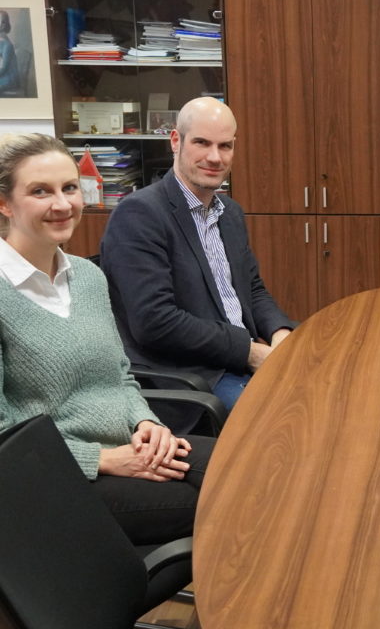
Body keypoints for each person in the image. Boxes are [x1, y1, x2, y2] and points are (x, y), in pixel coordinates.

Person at [0, 133, 212, 544]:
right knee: (234, 500)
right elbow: (3, 433)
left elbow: (120, 376)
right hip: (49, 477)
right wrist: (103, 459)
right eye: (40, 191)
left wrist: (146, 421)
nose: (62, 204)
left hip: (129, 446)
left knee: (254, 469)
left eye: (69, 188)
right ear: (4, 203)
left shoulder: (88, 277)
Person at [100, 97, 295, 411]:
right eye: (202, 143)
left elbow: (252, 287)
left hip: (240, 358)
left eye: (225, 146)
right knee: (288, 420)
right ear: (175, 141)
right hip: (193, 377)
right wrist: (249, 352)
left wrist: (279, 332)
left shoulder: (229, 213)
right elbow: (156, 322)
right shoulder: (139, 214)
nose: (214, 157)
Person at [0, 11, 21, 95]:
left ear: (4, 25)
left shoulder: (7, 44)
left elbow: (3, 68)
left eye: (3, 22)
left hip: (9, 79)